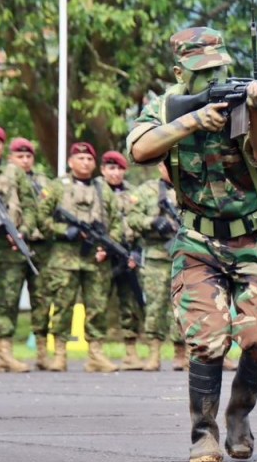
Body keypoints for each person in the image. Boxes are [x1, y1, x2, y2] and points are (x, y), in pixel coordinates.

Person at [127, 26, 257, 462]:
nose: (213, 77)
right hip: (198, 241)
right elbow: (140, 150)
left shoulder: (246, 103)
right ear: (181, 72)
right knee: (206, 341)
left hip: (254, 239)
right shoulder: (166, 106)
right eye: (203, 72)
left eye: (219, 68)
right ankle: (204, 434)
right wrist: (190, 121)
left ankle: (239, 413)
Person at [37, 141, 124, 373]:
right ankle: (60, 355)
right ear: (70, 161)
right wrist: (64, 231)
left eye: (89, 159)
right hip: (64, 259)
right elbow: (41, 218)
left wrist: (108, 246)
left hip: (95, 259)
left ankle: (95, 355)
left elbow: (116, 222)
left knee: (97, 306)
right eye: (80, 158)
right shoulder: (57, 187)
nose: (85, 162)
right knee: (62, 306)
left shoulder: (102, 189)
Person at [126, 162, 184, 371]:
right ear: (160, 166)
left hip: (184, 256)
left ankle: (181, 353)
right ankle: (154, 353)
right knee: (155, 305)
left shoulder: (190, 187)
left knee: (182, 306)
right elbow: (131, 217)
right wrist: (152, 221)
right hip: (156, 257)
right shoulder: (145, 190)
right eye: (166, 164)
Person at [6, 137, 54, 370]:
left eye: (28, 156)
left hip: (40, 247)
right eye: (20, 156)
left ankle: (43, 352)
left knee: (42, 299)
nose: (25, 160)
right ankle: (4, 351)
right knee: (8, 298)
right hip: (11, 248)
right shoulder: (7, 177)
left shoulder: (45, 181)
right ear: (11, 157)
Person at [101, 150, 145, 371]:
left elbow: (138, 225)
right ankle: (96, 351)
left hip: (127, 255)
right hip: (102, 255)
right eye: (111, 168)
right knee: (98, 303)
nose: (115, 172)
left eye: (119, 168)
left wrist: (136, 253)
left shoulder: (133, 194)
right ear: (103, 170)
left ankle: (130, 351)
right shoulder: (96, 190)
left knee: (130, 303)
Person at [0, 126, 38, 372]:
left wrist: (23, 231)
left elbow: (31, 207)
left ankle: (4, 352)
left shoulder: (14, 173)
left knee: (7, 302)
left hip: (8, 249)